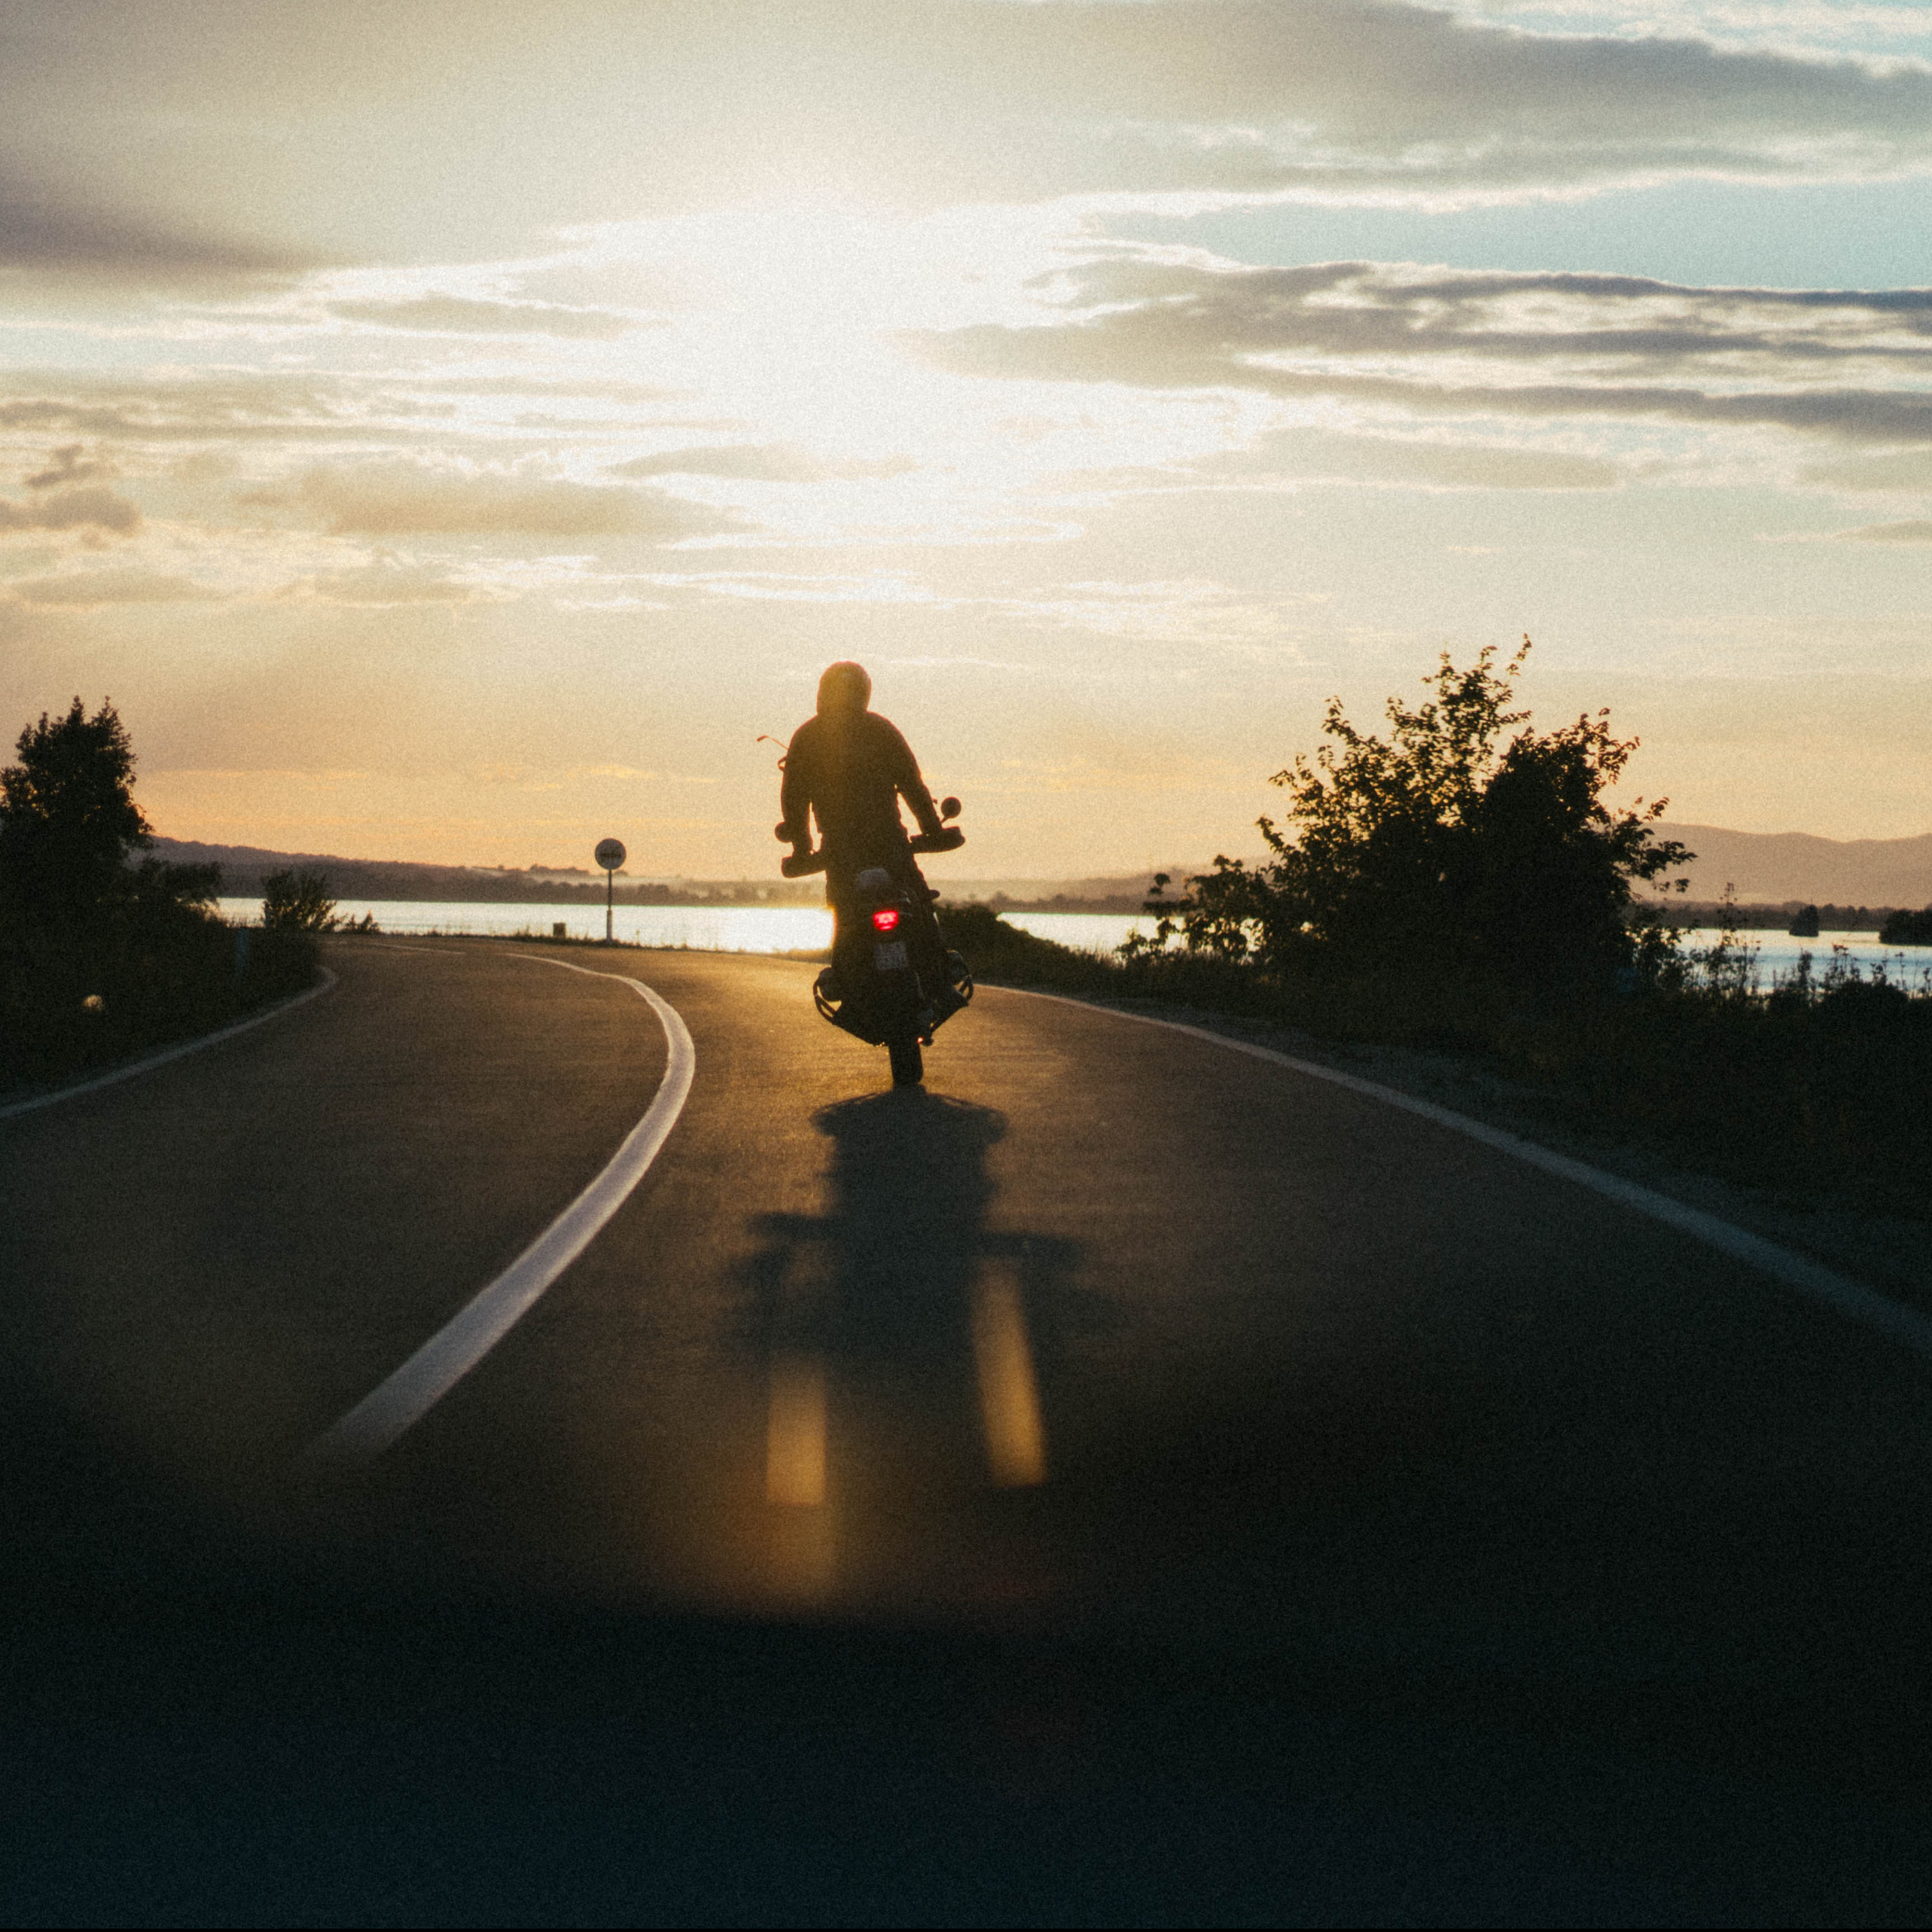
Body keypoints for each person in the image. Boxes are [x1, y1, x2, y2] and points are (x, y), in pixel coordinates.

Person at [779, 661, 951, 998]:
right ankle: (940, 977)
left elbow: (794, 799)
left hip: (842, 851)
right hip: (889, 843)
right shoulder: (882, 730)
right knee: (917, 902)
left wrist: (802, 848)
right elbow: (913, 786)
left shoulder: (808, 736)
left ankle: (846, 982)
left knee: (846, 912)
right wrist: (932, 829)